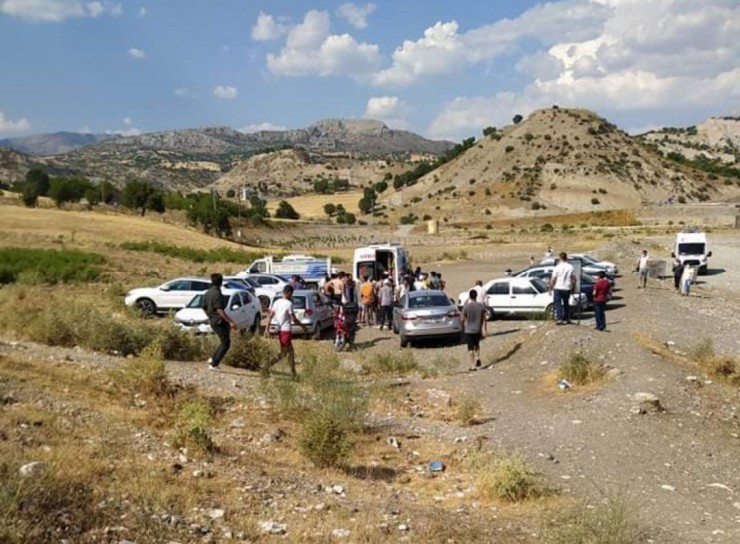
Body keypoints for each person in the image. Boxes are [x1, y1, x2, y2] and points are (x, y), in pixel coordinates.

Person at [265, 285, 307, 378]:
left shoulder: (277, 302)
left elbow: (270, 316)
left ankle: (293, 373)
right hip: (286, 330)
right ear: (289, 293)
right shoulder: (289, 304)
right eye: (291, 294)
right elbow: (293, 319)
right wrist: (302, 326)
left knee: (288, 352)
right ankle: (267, 367)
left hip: (280, 330)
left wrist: (267, 329)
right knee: (285, 353)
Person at [203, 273, 238, 371]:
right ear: (221, 282)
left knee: (223, 341)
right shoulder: (217, 293)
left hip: (213, 320)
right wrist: (230, 322)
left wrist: (210, 316)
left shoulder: (208, 292)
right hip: (218, 320)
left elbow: (204, 307)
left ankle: (213, 359)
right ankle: (214, 364)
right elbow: (219, 310)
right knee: (226, 343)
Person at [461, 289, 487, 371]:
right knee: (477, 345)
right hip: (478, 329)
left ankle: (472, 365)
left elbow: (462, 319)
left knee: (470, 348)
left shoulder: (466, 307)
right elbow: (484, 319)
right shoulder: (481, 306)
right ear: (476, 296)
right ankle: (477, 357)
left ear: (469, 296)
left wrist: (462, 326)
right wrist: (484, 329)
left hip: (469, 330)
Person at [549, 252, 575, 325]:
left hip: (558, 287)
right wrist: (573, 287)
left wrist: (550, 288)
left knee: (558, 304)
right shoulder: (570, 267)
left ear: (560, 258)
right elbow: (572, 278)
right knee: (566, 303)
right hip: (567, 287)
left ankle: (559, 319)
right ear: (566, 258)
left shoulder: (557, 267)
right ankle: (566, 318)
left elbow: (553, 278)